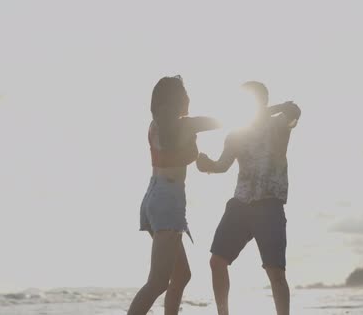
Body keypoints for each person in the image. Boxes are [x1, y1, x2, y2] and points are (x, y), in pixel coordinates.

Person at [196, 81, 301, 315]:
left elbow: (295, 113)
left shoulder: (279, 124)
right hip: (240, 204)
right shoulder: (235, 134)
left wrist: (274, 109)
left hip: (270, 203)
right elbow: (222, 165)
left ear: (263, 101)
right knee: (217, 262)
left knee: (275, 272)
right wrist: (207, 165)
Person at [128, 76, 219, 315]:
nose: (188, 98)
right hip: (168, 201)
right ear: (178, 99)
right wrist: (273, 110)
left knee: (181, 275)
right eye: (185, 93)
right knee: (158, 282)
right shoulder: (185, 125)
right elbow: (227, 121)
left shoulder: (155, 125)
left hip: (154, 197)